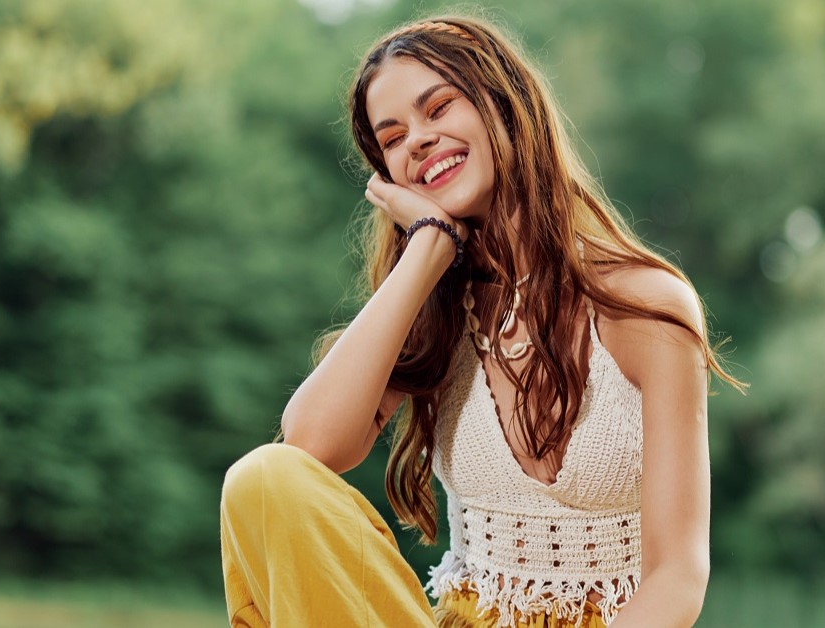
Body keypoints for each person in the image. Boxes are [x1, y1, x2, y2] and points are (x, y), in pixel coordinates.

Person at [219, 14, 746, 628]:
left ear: (505, 105)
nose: (417, 140)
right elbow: (307, 446)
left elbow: (677, 575)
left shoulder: (645, 306)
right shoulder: (435, 316)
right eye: (392, 139)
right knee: (261, 479)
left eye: (439, 108)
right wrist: (427, 248)